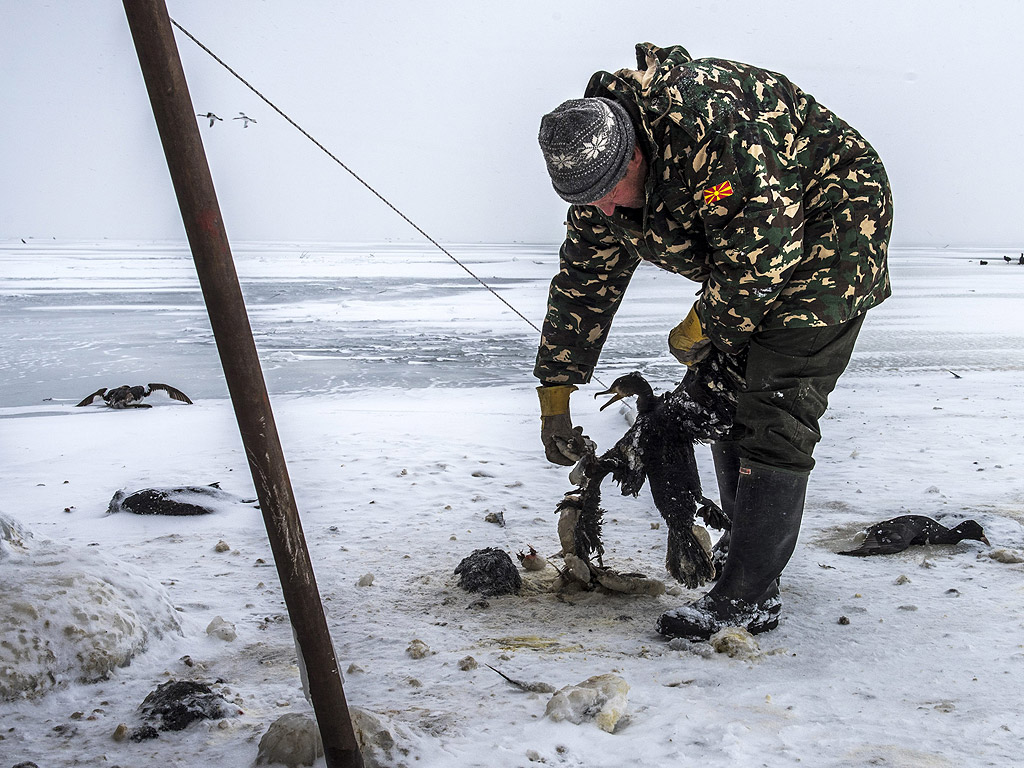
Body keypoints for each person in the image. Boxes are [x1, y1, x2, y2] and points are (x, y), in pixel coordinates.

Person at [534, 43, 892, 640]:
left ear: (634, 155)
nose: (601, 209)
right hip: (753, 251)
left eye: (607, 191)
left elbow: (763, 253)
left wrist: (700, 327)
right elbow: (583, 284)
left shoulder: (711, 130)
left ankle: (748, 598)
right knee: (723, 398)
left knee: (774, 404)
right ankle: (742, 555)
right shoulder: (595, 182)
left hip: (834, 229)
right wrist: (555, 392)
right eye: (585, 200)